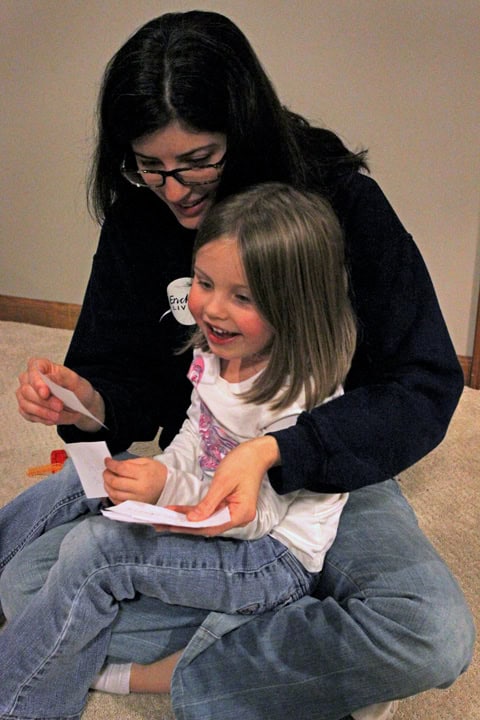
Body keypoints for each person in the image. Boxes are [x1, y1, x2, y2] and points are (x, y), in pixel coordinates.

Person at [0, 10, 474, 720]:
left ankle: (199, 671)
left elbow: (422, 383)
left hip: (329, 475)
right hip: (204, 463)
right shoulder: (140, 216)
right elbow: (137, 390)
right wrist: (88, 403)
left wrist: (281, 451)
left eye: (197, 162)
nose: (176, 189)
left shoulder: (336, 200)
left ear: (243, 129)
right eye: (151, 166)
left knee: (430, 634)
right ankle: (299, 653)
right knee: (33, 588)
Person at [0, 183, 357, 713]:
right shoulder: (217, 351)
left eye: (243, 296)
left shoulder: (299, 396)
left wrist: (166, 488)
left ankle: (25, 703)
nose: (211, 309)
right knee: (84, 483)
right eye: (205, 283)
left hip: (267, 556)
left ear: (294, 307)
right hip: (205, 512)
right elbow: (196, 436)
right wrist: (158, 473)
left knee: (97, 552)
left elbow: (253, 515)